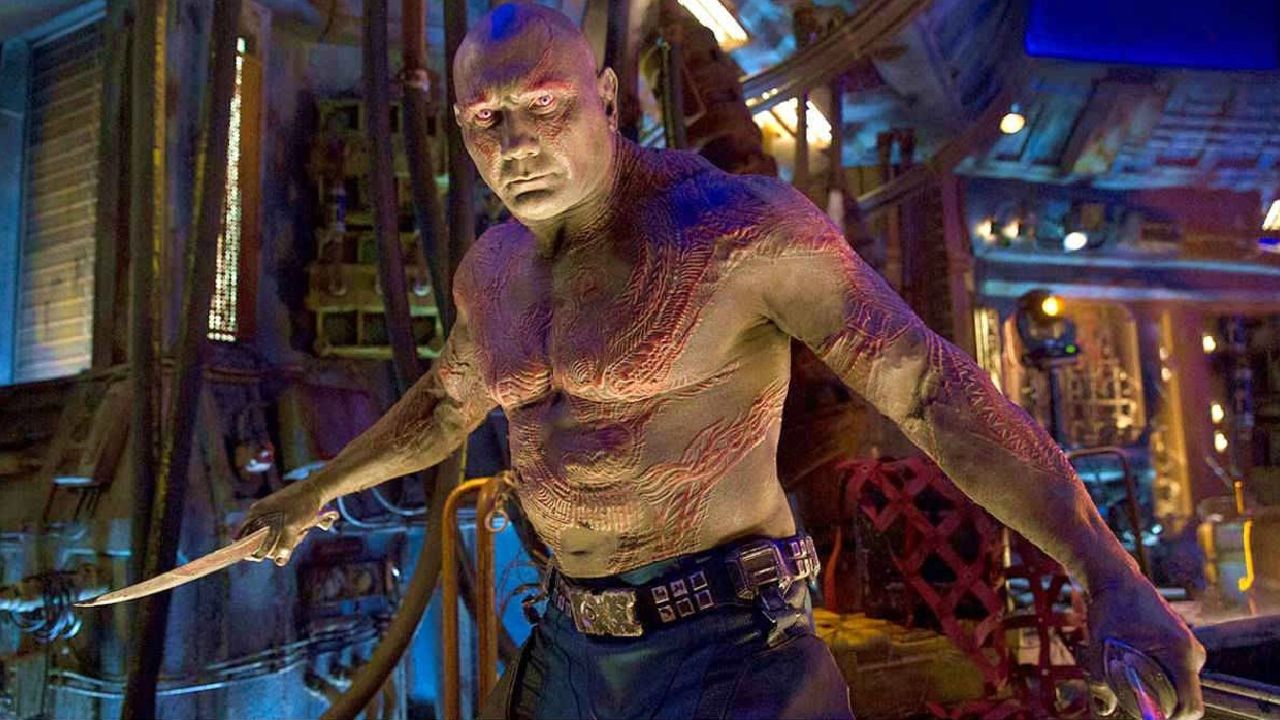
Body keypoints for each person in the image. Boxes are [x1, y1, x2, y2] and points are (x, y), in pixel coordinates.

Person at [244, 4, 1205, 718]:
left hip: (729, 649)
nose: (518, 143)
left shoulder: (733, 232)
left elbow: (926, 387)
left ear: (605, 99)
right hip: (570, 641)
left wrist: (1107, 572)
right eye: (485, 118)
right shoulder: (490, 271)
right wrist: (316, 489)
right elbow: (446, 403)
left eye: (543, 104)